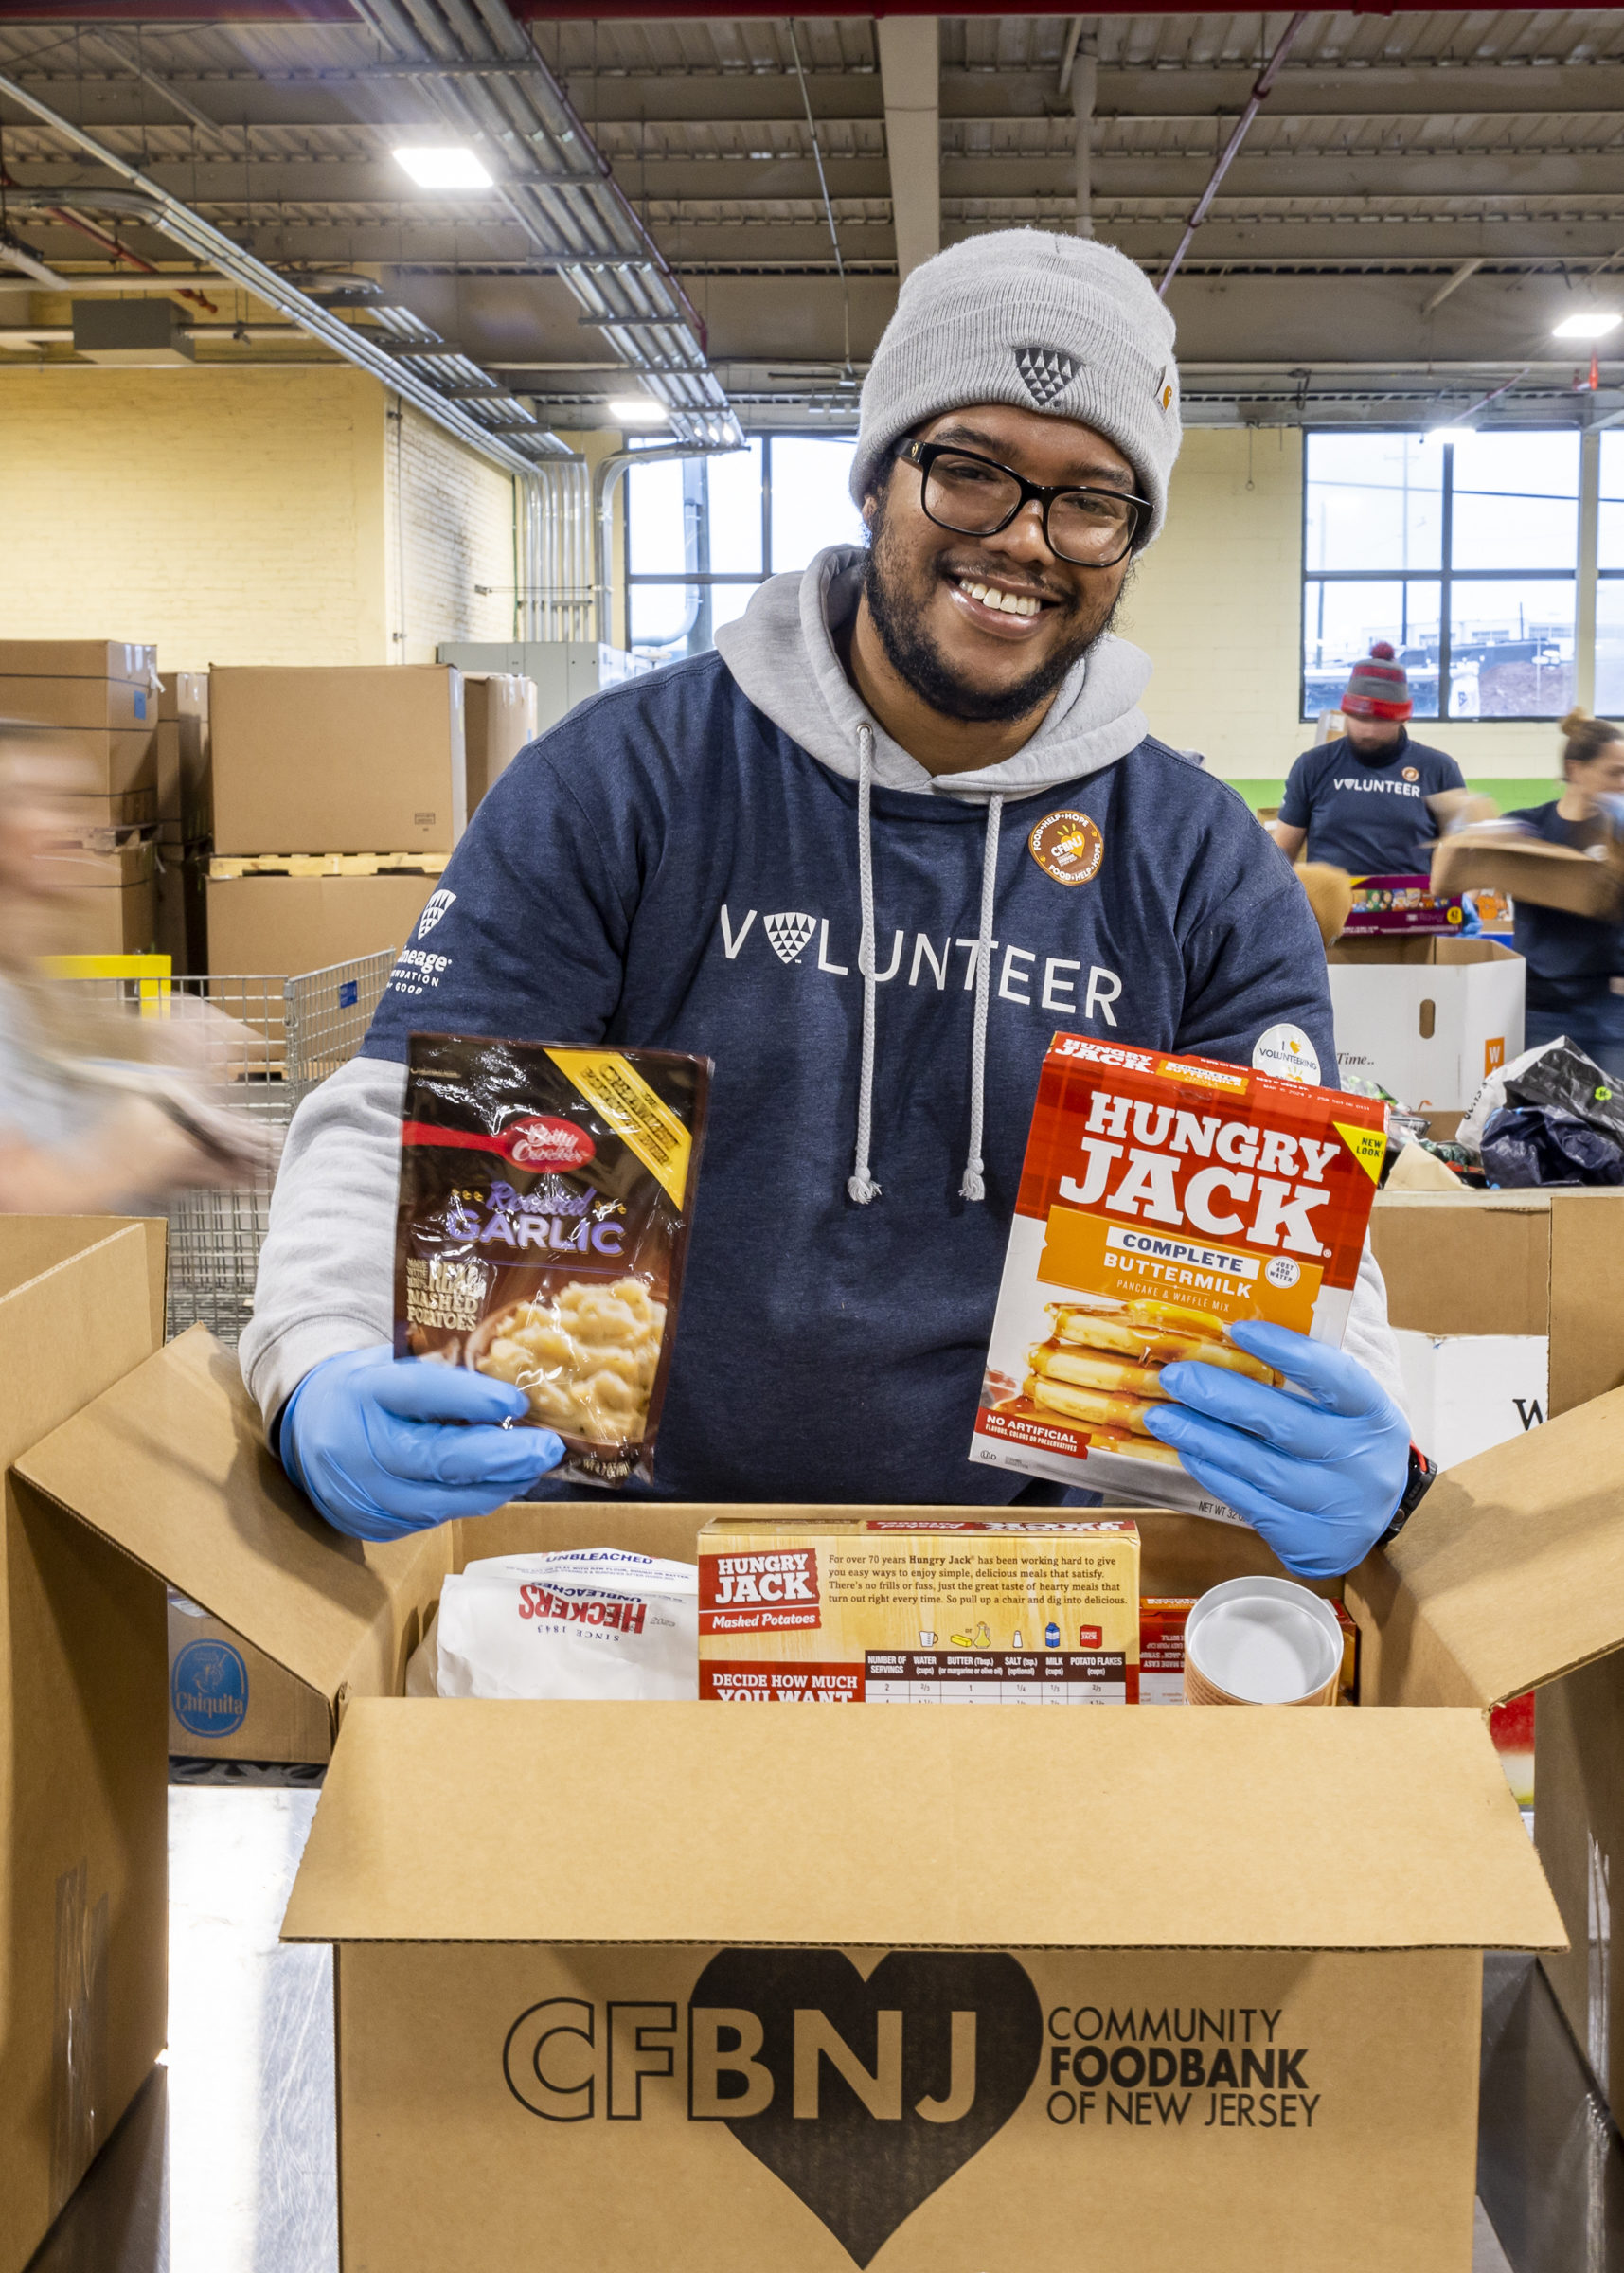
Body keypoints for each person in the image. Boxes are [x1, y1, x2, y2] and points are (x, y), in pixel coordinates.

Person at [244, 231, 1422, 1583]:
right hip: (636, 1567)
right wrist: (315, 1369)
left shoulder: (1200, 864)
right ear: (875, 481)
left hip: (1037, 1588)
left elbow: (1301, 1244)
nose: (1023, 542)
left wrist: (1363, 1450)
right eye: (968, 471)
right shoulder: (626, 779)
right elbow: (402, 1114)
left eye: (1088, 500)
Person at [0, 736, 275, 1211]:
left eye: (72, 803)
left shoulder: (34, 974)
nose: (75, 828)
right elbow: (16, 1196)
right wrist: (157, 1140)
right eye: (38, 803)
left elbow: (61, 1090)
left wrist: (157, 1048)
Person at [1272, 645, 1466, 876]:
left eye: (1382, 720)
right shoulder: (1312, 766)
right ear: (1347, 712)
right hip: (1331, 909)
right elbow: (1280, 856)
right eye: (1362, 718)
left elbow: (1464, 855)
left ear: (1403, 719)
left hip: (1413, 909)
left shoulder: (1439, 770)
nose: (1370, 731)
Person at [1504, 709, 1624, 1080]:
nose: (1623, 783)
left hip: (1607, 1007)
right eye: (1615, 773)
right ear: (1576, 770)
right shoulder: (1527, 829)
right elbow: (1454, 873)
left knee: (1611, 1127)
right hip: (1540, 1006)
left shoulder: (1620, 835)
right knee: (1540, 1124)